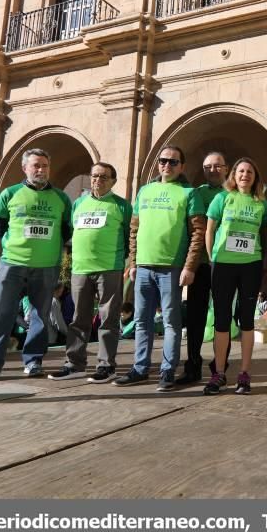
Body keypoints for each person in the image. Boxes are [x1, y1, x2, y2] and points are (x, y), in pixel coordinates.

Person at [0, 149, 72, 380]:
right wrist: (13, 244)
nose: (41, 169)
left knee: (40, 316)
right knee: (0, 314)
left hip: (46, 266)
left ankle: (33, 361)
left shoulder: (62, 198)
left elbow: (66, 230)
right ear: (25, 168)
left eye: (45, 165)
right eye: (36, 165)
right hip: (12, 264)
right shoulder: (10, 193)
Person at [114, 145, 206, 390]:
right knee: (142, 320)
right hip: (143, 266)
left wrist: (189, 267)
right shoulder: (144, 191)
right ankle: (140, 368)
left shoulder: (189, 193)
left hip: (172, 267)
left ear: (181, 166)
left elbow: (198, 232)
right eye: (163, 160)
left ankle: (167, 371)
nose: (167, 165)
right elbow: (134, 229)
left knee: (170, 322)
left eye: (173, 162)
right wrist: (132, 262)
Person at [48, 162, 132, 383]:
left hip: (109, 268)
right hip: (80, 269)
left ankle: (106, 366)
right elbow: (72, 231)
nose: (98, 180)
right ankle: (74, 364)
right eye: (94, 176)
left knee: (108, 319)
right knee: (78, 318)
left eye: (104, 177)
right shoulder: (79, 204)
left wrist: (127, 263)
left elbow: (128, 236)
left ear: (113, 181)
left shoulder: (122, 206)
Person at [203, 157, 267, 395]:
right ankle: (219, 373)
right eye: (241, 171)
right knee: (222, 320)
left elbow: (265, 235)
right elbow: (209, 229)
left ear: (255, 177)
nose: (245, 175)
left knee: (247, 321)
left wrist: (263, 263)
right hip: (223, 265)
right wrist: (212, 258)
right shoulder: (222, 198)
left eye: (250, 172)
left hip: (250, 265)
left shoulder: (262, 204)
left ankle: (244, 373)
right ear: (234, 175)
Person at [177, 151, 228, 384]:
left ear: (226, 169)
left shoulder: (234, 195)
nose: (212, 170)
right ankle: (192, 364)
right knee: (196, 317)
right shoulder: (195, 193)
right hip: (201, 265)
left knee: (223, 317)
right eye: (207, 167)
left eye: (217, 166)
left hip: (226, 265)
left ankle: (220, 365)